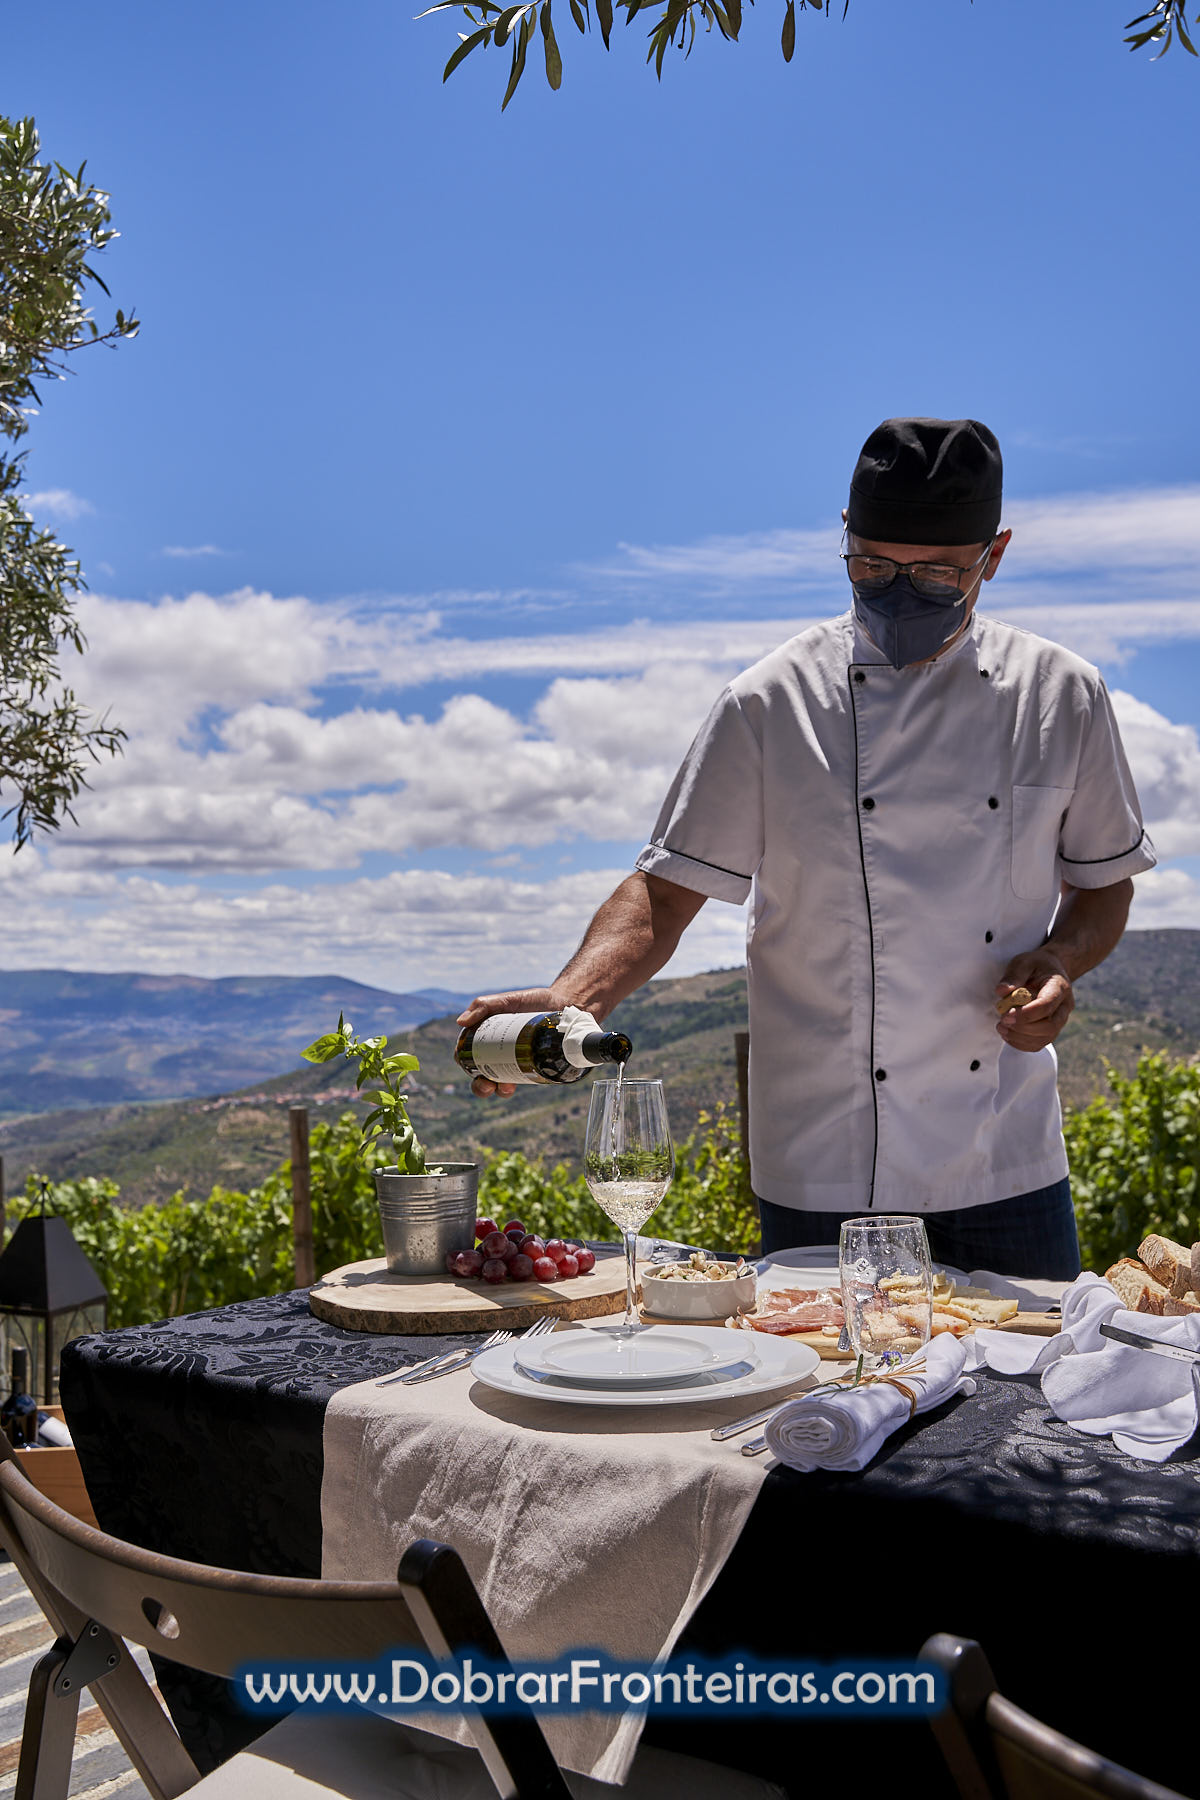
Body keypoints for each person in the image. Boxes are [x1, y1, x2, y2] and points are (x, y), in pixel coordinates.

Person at [458, 418, 1156, 1278]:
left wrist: (1059, 959)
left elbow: (1104, 885)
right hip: (822, 1164)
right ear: (844, 539)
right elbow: (666, 890)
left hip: (1002, 1156)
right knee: (821, 1401)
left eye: (937, 572)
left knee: (1022, 1403)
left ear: (995, 554)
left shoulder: (1063, 695)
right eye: (872, 566)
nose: (900, 591)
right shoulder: (767, 704)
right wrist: (572, 999)